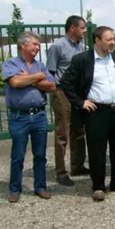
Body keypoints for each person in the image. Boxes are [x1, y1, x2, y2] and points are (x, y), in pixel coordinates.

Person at [60, 26, 115, 202]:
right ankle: (98, 186)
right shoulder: (82, 60)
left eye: (113, 39)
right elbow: (66, 83)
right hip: (96, 111)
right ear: (97, 40)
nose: (112, 42)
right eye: (109, 39)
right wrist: (80, 102)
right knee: (97, 150)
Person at [2, 31, 56, 203]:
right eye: (34, 44)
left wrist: (29, 78)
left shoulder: (40, 65)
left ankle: (40, 187)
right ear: (23, 45)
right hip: (19, 117)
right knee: (18, 155)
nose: (37, 48)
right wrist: (38, 78)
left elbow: (51, 86)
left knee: (40, 154)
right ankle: (14, 189)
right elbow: (15, 83)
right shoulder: (10, 63)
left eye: (38, 45)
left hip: (39, 115)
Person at [46, 15, 88, 186]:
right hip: (62, 92)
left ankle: (77, 166)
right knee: (63, 131)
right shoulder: (58, 46)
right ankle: (61, 171)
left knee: (79, 130)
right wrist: (57, 92)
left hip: (78, 94)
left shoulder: (82, 48)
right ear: (72, 28)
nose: (85, 31)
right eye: (83, 28)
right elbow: (51, 72)